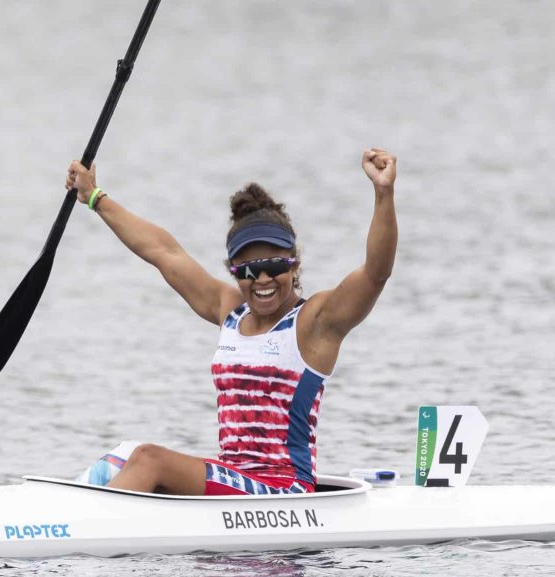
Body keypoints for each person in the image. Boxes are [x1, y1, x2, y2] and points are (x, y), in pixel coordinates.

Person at [65, 148, 397, 496]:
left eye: (275, 266)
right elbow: (163, 252)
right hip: (234, 478)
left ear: (294, 265)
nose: (263, 279)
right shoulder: (230, 310)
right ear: (234, 272)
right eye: (249, 271)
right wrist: (94, 198)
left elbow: (376, 273)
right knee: (124, 454)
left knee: (149, 459)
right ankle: (61, 513)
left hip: (284, 489)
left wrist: (383, 193)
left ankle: (77, 529)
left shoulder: (316, 322)